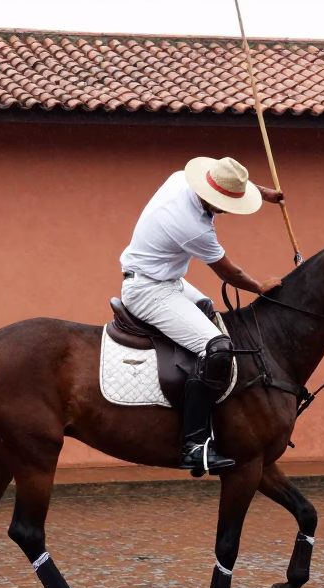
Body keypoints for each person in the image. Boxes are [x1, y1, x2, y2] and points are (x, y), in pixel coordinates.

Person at [118, 156, 285, 474]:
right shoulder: (193, 227)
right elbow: (230, 272)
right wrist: (259, 287)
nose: (224, 209)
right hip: (149, 291)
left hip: (166, 280)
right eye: (222, 203)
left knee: (209, 309)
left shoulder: (181, 177)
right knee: (219, 347)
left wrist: (263, 193)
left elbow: (229, 181)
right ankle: (193, 446)